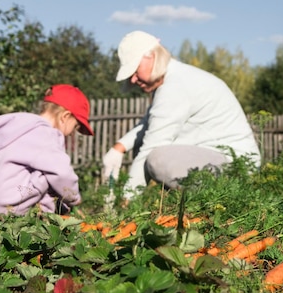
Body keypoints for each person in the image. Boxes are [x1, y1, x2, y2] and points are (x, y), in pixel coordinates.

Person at [102, 30, 261, 200]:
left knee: (157, 159)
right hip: (217, 158)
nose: (133, 80)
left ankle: (213, 201)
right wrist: (119, 148)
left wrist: (127, 200)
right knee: (149, 152)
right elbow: (149, 123)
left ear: (151, 57)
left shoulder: (175, 87)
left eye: (135, 70)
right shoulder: (173, 79)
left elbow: (152, 145)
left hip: (234, 166)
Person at [0, 84, 94, 215]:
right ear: (65, 117)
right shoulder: (46, 134)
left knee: (46, 169)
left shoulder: (19, 129)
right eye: (75, 127)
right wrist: (74, 197)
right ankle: (45, 217)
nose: (71, 133)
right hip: (11, 205)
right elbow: (62, 174)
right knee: (52, 173)